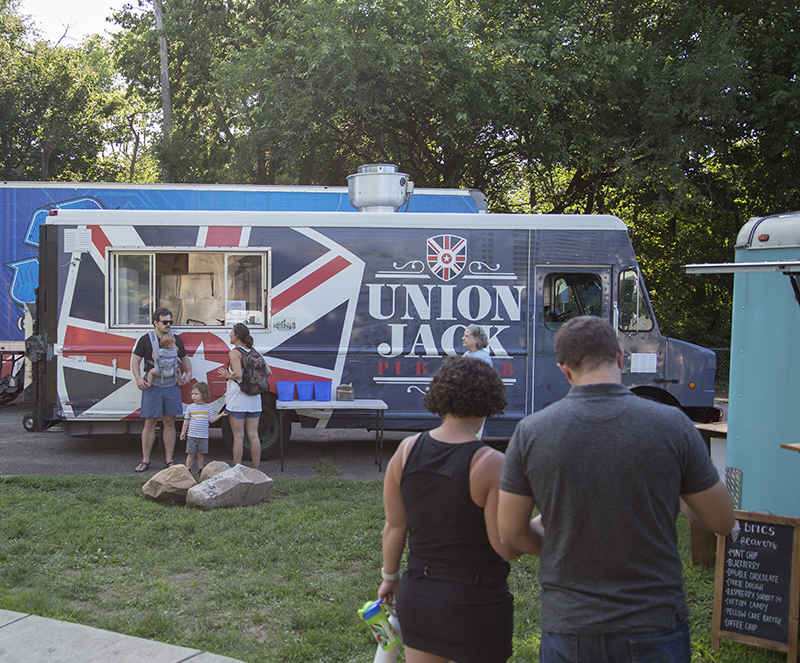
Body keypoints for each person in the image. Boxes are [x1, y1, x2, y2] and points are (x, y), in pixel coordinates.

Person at [497, 316, 735, 663]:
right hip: (654, 623)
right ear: (621, 359)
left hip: (570, 625)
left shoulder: (531, 432)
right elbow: (722, 520)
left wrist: (562, 538)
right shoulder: (673, 425)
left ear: (564, 370)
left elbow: (510, 535)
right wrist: (681, 492)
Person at [378, 356, 521, 663]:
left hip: (418, 597)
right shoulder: (491, 463)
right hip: (475, 602)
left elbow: (394, 526)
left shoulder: (406, 450)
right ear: (490, 400)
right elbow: (505, 545)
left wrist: (390, 576)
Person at [131, 308, 192, 472]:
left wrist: (189, 373)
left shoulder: (175, 339)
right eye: (165, 322)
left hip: (171, 386)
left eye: (170, 322)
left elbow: (184, 359)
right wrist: (138, 378)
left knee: (170, 422)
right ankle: (145, 460)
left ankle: (169, 460)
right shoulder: (145, 340)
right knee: (149, 422)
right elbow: (135, 361)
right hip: (153, 386)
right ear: (155, 323)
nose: (168, 325)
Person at [217, 323, 270, 470]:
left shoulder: (235, 353)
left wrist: (228, 375)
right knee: (253, 435)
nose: (230, 335)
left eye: (232, 332)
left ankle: (237, 469)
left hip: (238, 400)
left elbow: (238, 374)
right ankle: (255, 470)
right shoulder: (253, 351)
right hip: (254, 400)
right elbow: (269, 372)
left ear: (237, 336)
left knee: (238, 437)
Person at [179, 381, 226, 475]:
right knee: (190, 454)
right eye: (192, 394)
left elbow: (211, 420)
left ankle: (200, 470)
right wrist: (183, 432)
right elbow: (186, 421)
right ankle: (187, 470)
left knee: (200, 455)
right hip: (192, 435)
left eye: (196, 394)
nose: (193, 396)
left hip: (203, 436)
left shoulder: (208, 408)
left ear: (203, 394)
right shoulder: (190, 407)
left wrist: (221, 415)